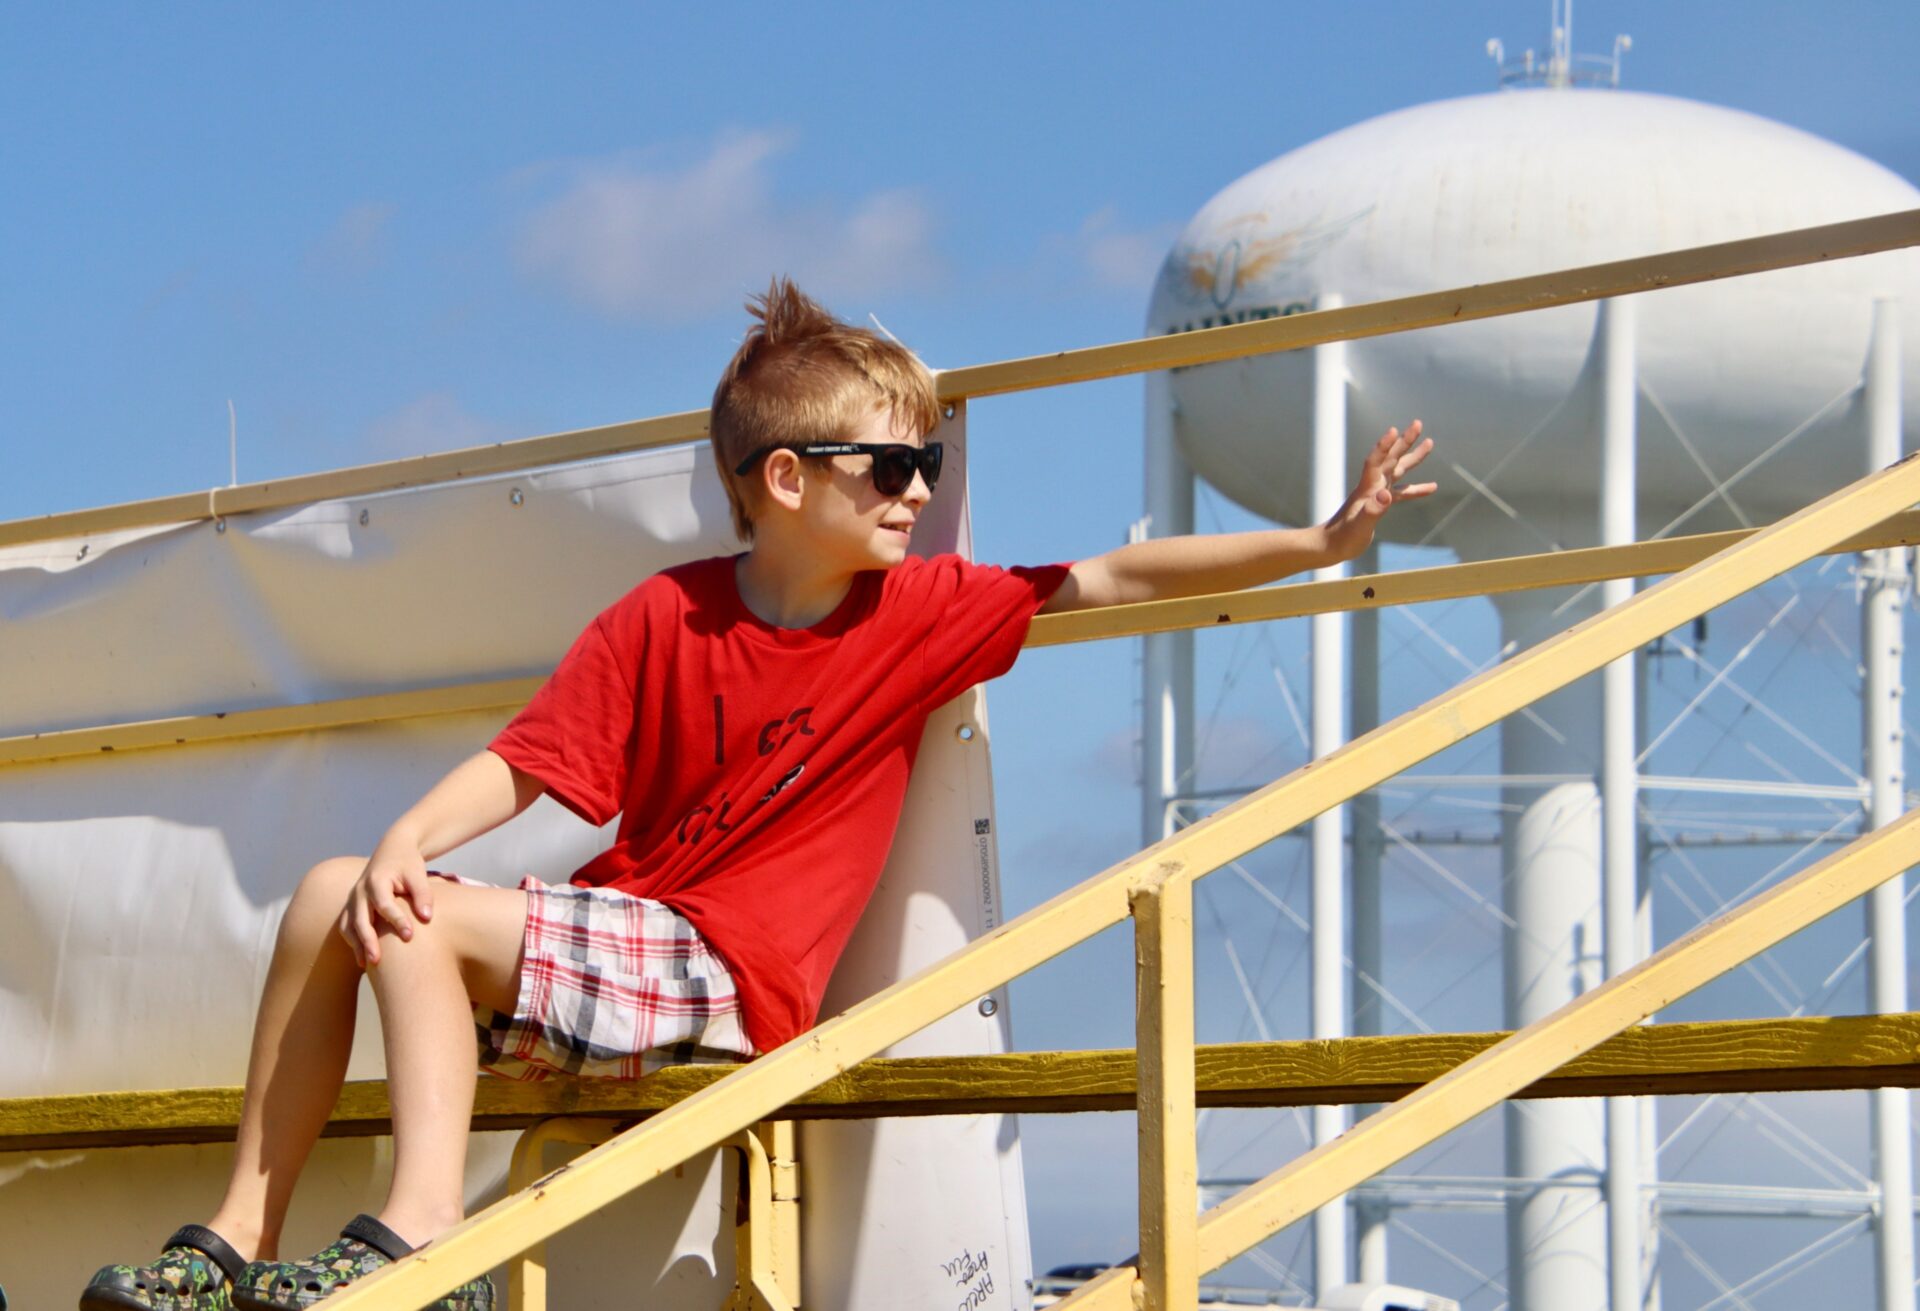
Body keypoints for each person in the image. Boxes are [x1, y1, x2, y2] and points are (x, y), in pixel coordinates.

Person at [80, 279, 1433, 1311]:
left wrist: (1320, 543)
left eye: (929, 467)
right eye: (890, 467)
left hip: (730, 981)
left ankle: (424, 1245)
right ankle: (234, 1243)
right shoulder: (666, 615)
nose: (919, 492)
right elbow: (534, 759)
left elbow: (1112, 577)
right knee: (338, 891)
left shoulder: (923, 611)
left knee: (419, 920)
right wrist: (407, 836)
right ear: (785, 480)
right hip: (631, 947)